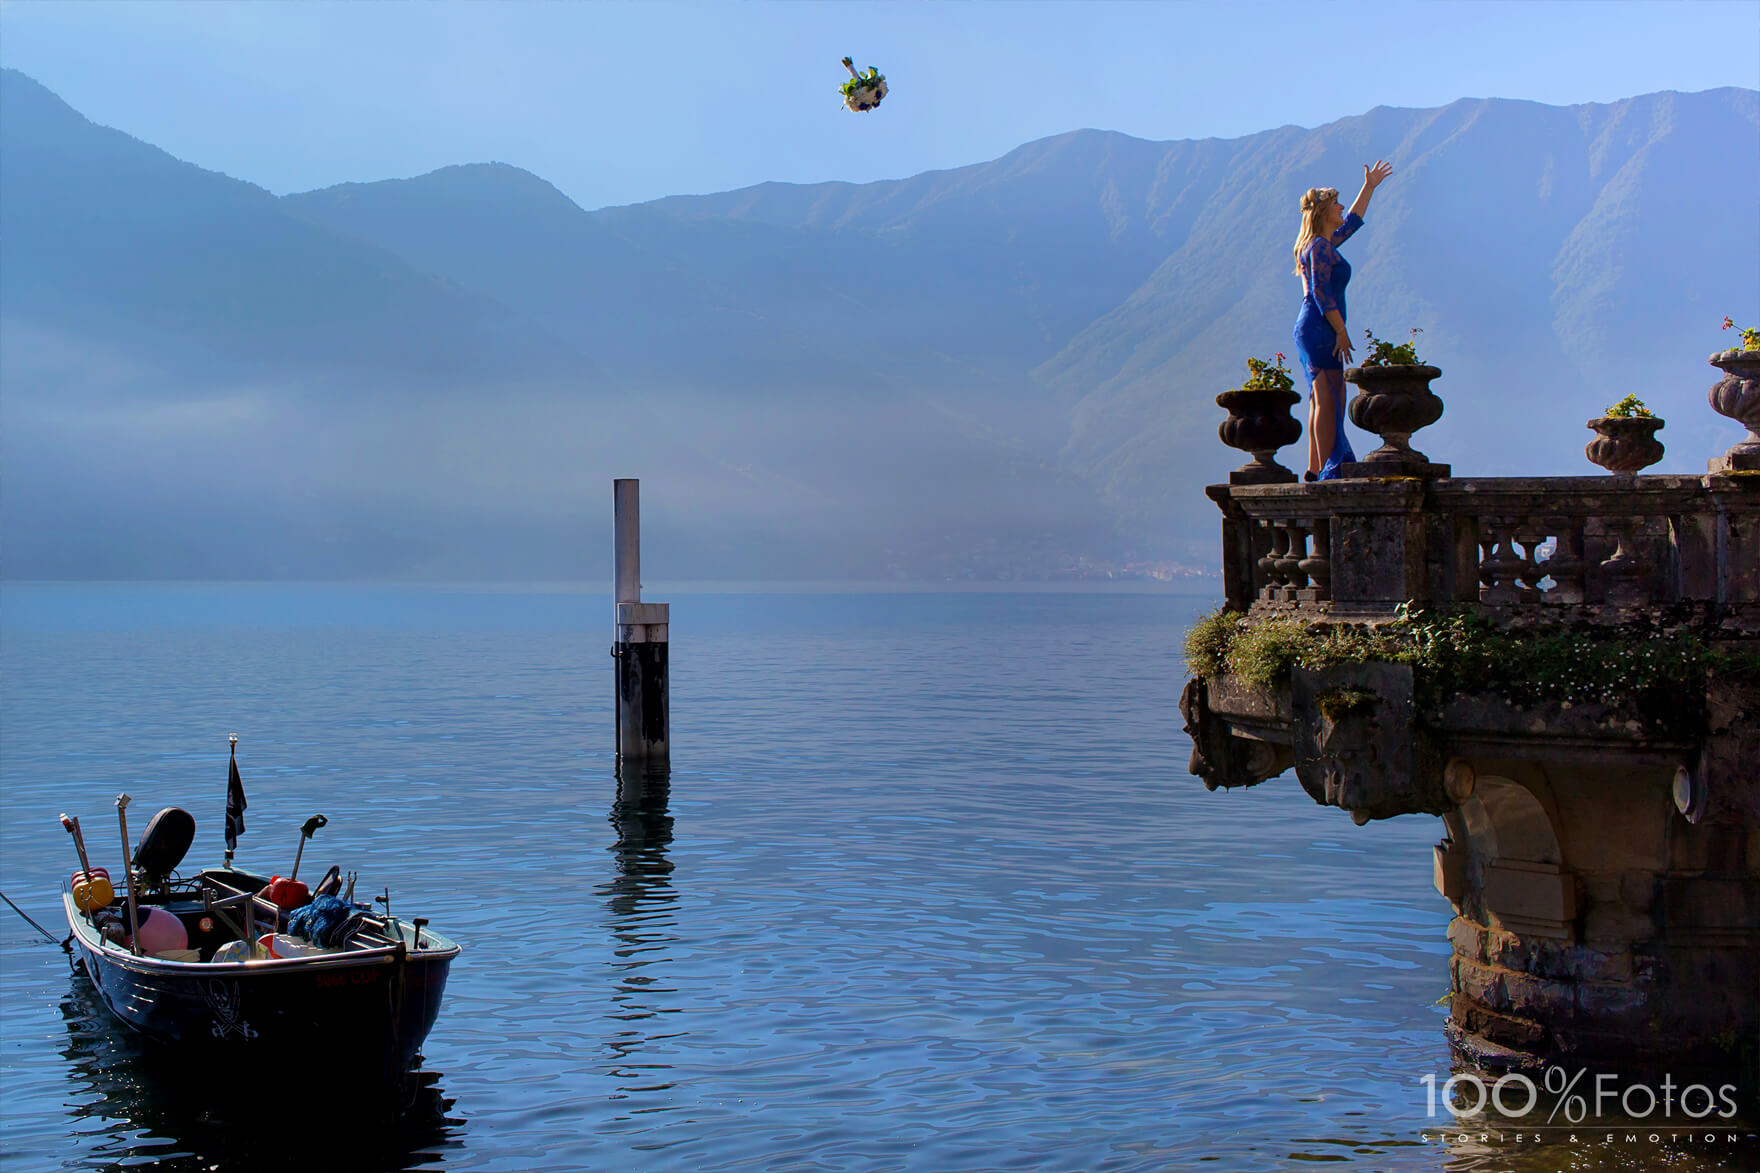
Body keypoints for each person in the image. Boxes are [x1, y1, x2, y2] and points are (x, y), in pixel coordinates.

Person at [1292, 161, 1393, 480]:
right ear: (1322, 212)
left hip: (1314, 326)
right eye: (1336, 203)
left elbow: (1354, 221)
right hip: (1321, 327)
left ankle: (1315, 466)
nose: (1341, 206)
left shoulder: (1322, 243)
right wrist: (1341, 331)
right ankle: (1329, 469)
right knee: (1328, 397)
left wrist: (1370, 187)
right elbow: (1322, 293)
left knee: (1321, 397)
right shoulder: (1320, 247)